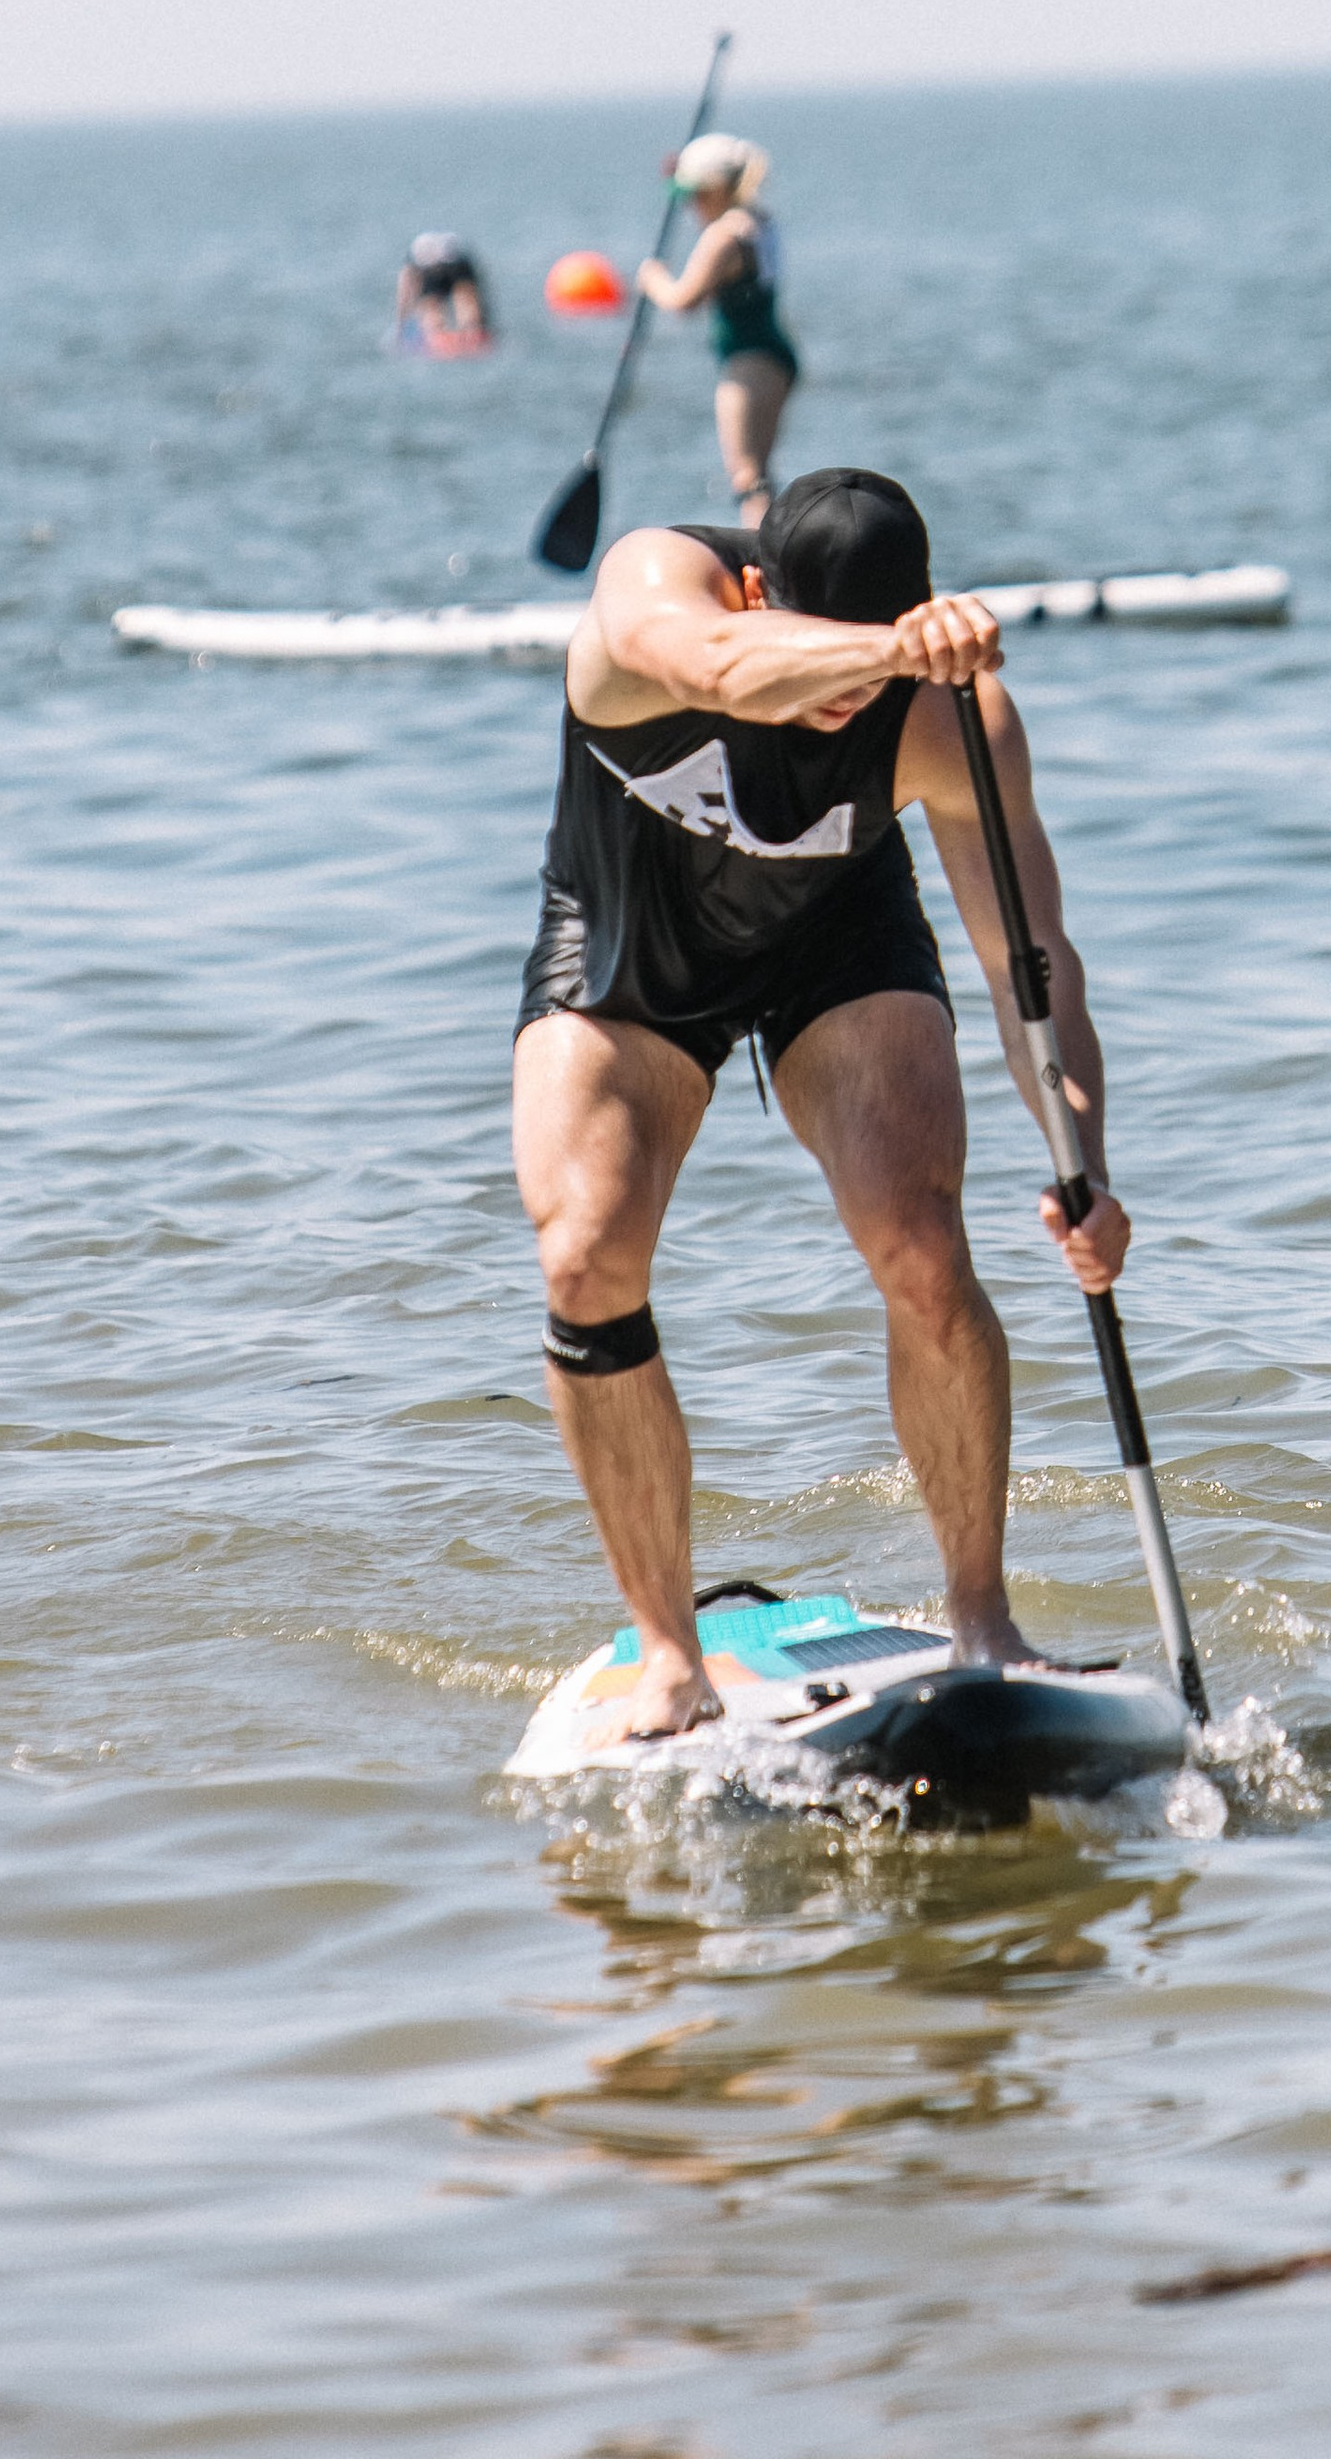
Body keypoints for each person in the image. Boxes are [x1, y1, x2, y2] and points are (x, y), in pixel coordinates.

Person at [511, 467, 1132, 1736]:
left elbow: (1035, 966)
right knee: (584, 1260)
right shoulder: (652, 596)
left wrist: (1085, 1165)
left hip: (834, 944)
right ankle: (672, 1659)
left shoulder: (947, 718)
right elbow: (732, 671)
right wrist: (886, 646)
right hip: (634, 951)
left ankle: (983, 1621)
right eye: (850, 664)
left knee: (920, 1243)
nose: (857, 699)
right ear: (753, 587)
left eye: (881, 673)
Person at [630, 133, 798, 526]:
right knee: (761, 471)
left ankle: (759, 565)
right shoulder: (758, 221)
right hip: (774, 354)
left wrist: (651, 278)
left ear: (719, 188)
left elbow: (682, 300)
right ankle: (775, 557)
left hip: (748, 361)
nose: (690, 204)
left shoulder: (724, 236)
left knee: (746, 476)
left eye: (697, 194)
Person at [393, 231, 493, 352]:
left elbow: (405, 292)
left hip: (432, 269)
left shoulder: (414, 261)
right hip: (458, 265)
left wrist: (401, 324)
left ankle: (440, 333)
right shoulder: (458, 255)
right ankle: (472, 333)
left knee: (433, 312)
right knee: (468, 309)